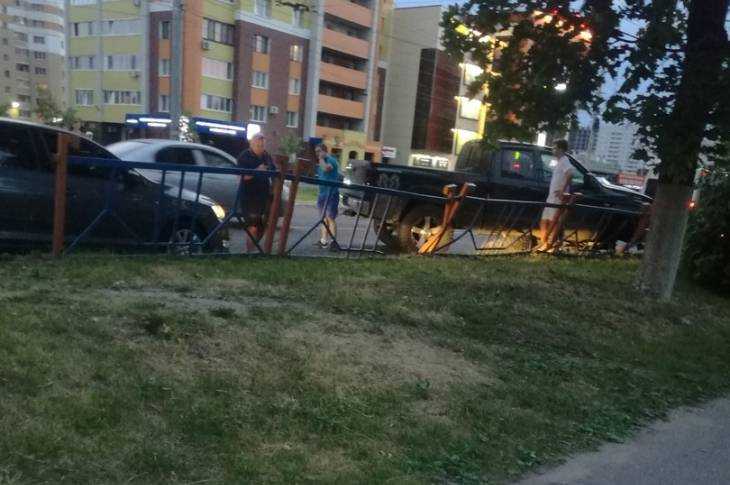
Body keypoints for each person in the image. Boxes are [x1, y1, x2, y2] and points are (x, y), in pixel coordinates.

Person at [236, 132, 274, 252]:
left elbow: (273, 170)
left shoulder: (266, 155)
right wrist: (257, 171)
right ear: (251, 144)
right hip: (249, 197)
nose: (261, 148)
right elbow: (241, 177)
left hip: (264, 196)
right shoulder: (244, 156)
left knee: (263, 225)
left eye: (262, 146)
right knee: (252, 226)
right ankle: (249, 252)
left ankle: (252, 249)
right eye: (258, 145)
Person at [538, 139, 574, 251]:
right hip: (551, 197)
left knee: (554, 222)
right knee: (544, 220)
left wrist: (562, 191)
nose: (553, 150)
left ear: (561, 149)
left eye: (555, 148)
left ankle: (550, 245)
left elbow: (570, 174)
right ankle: (544, 242)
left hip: (557, 198)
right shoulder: (558, 161)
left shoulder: (564, 160)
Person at [314, 144, 340, 250]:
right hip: (322, 193)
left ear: (325, 151)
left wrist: (321, 159)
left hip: (331, 193)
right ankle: (323, 241)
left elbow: (326, 169)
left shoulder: (331, 160)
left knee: (330, 218)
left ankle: (334, 242)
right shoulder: (321, 162)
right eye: (316, 151)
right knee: (323, 218)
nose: (317, 153)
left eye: (319, 151)